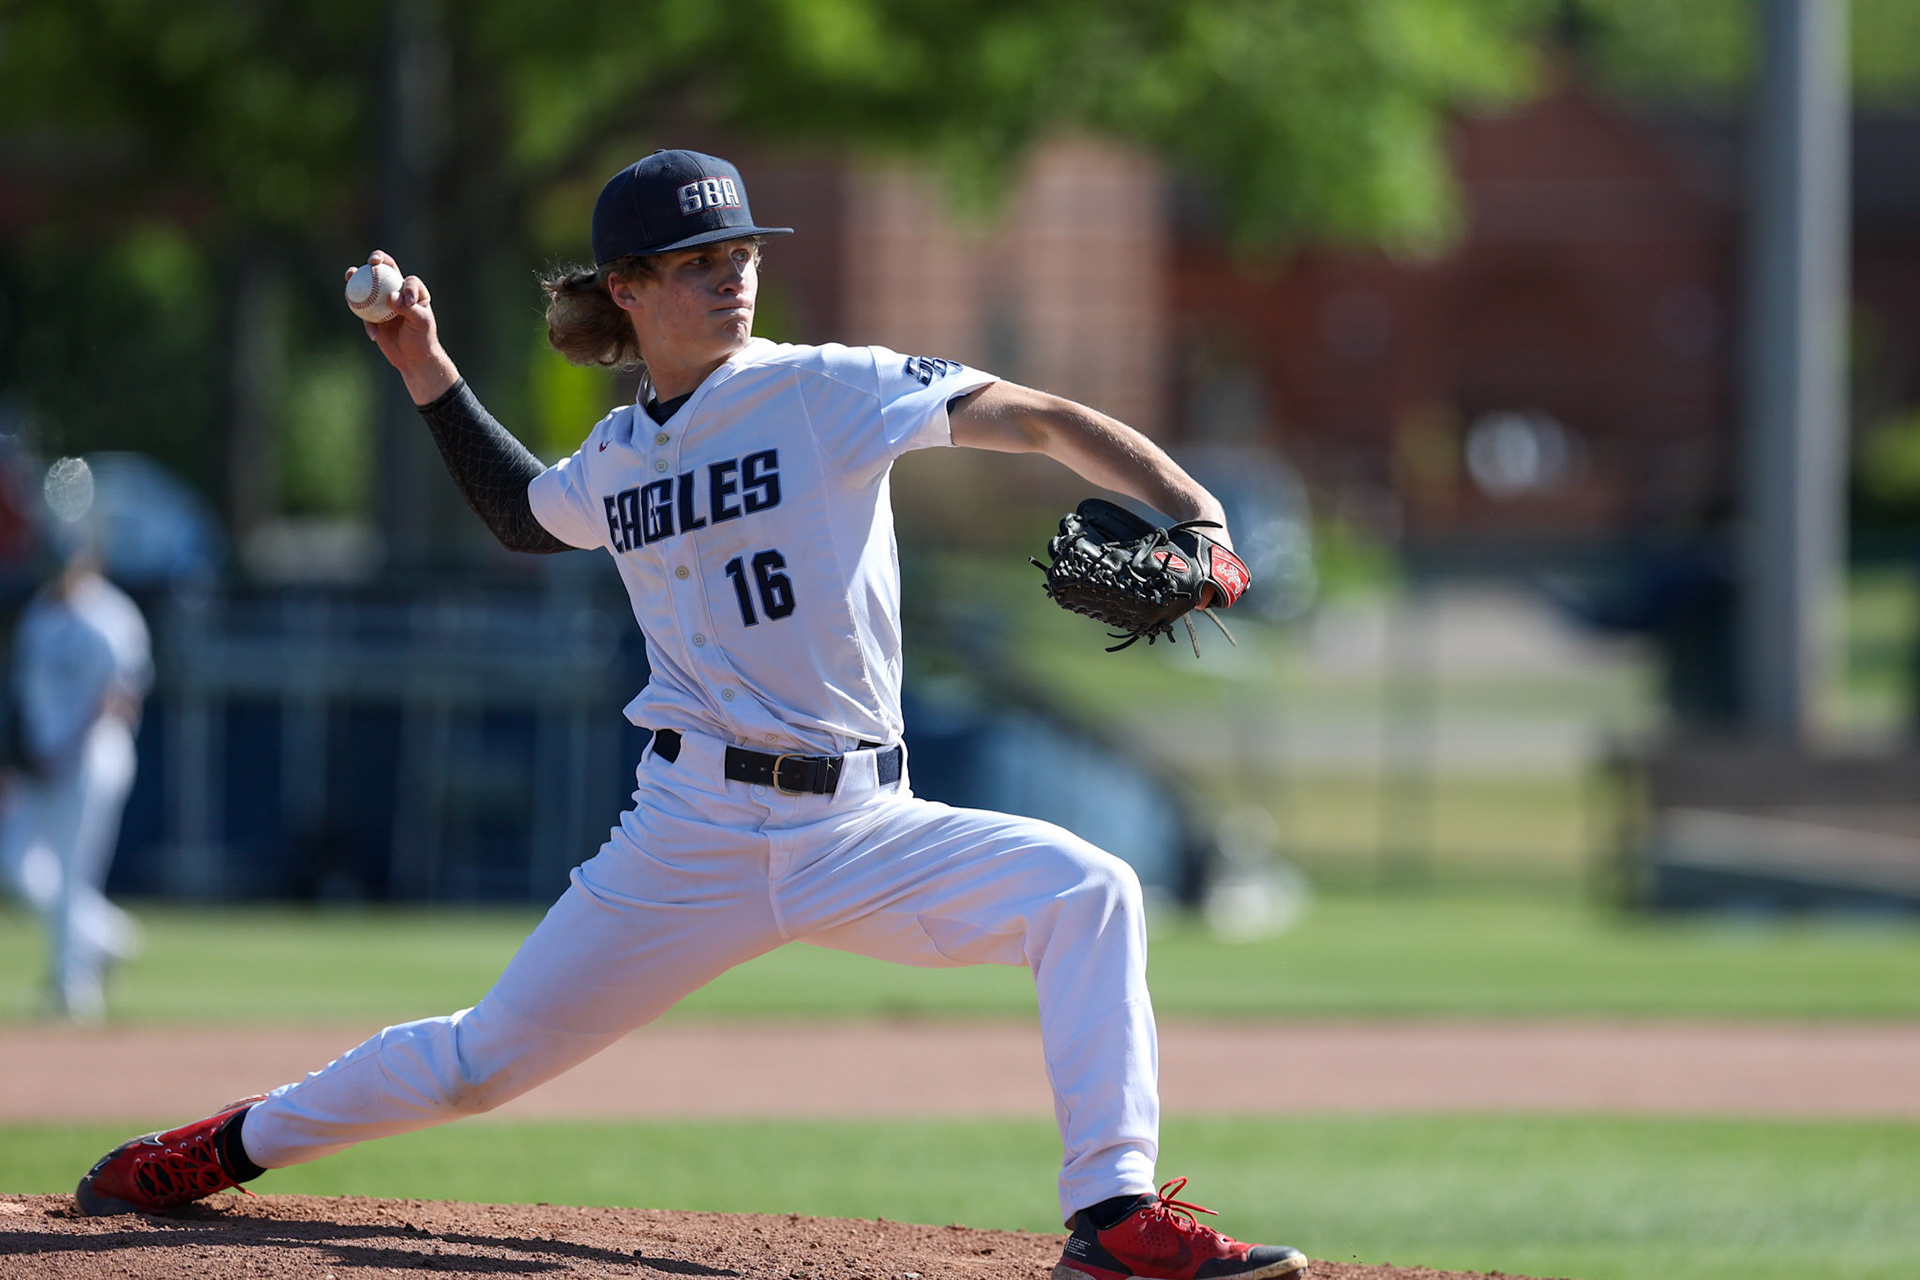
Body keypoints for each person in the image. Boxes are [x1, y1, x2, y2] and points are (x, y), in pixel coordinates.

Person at [74, 150, 1300, 1280]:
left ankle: (1112, 1213)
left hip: (864, 825)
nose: (734, 279)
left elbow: (1034, 416)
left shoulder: (826, 390)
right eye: (702, 263)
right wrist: (424, 368)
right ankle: (219, 1147)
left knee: (1088, 889)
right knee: (476, 1064)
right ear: (630, 286)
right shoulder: (617, 452)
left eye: (743, 256)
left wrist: (1198, 514)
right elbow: (525, 514)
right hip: (690, 829)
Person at [1, 542, 149, 1024]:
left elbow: (121, 696)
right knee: (16, 863)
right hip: (42, 760)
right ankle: (106, 937)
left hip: (93, 757)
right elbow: (25, 698)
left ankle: (75, 991)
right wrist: (20, 760)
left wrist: (68, 749)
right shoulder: (40, 616)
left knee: (72, 870)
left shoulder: (110, 616)